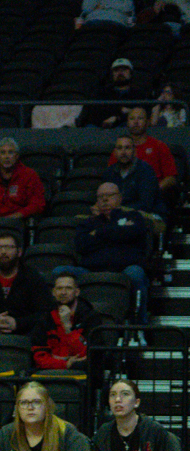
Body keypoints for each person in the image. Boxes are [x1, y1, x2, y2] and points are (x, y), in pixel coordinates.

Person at [74, 182, 154, 320]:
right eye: (100, 197)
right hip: (91, 269)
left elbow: (131, 234)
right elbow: (81, 245)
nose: (105, 200)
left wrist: (97, 233)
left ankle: (139, 324)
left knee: (136, 273)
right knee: (60, 272)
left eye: (110, 195)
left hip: (125, 268)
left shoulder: (133, 217)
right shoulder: (87, 223)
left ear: (120, 198)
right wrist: (117, 232)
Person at [33, 273, 101, 371]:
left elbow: (88, 356)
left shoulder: (91, 318)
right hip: (50, 373)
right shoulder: (44, 317)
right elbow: (39, 358)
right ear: (53, 292)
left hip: (81, 374)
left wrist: (67, 326)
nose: (63, 292)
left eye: (68, 288)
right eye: (59, 288)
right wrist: (66, 364)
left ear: (77, 292)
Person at [120, 107, 179, 203]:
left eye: (140, 118)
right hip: (126, 198)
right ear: (127, 123)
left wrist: (152, 190)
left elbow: (171, 178)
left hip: (154, 198)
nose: (136, 122)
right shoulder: (120, 149)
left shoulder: (159, 146)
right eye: (132, 118)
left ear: (147, 122)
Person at [79, 58, 147, 129]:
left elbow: (141, 114)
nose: (120, 73)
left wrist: (117, 118)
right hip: (100, 127)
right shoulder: (101, 92)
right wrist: (121, 110)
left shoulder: (138, 94)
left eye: (124, 70)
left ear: (131, 73)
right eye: (116, 70)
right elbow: (95, 112)